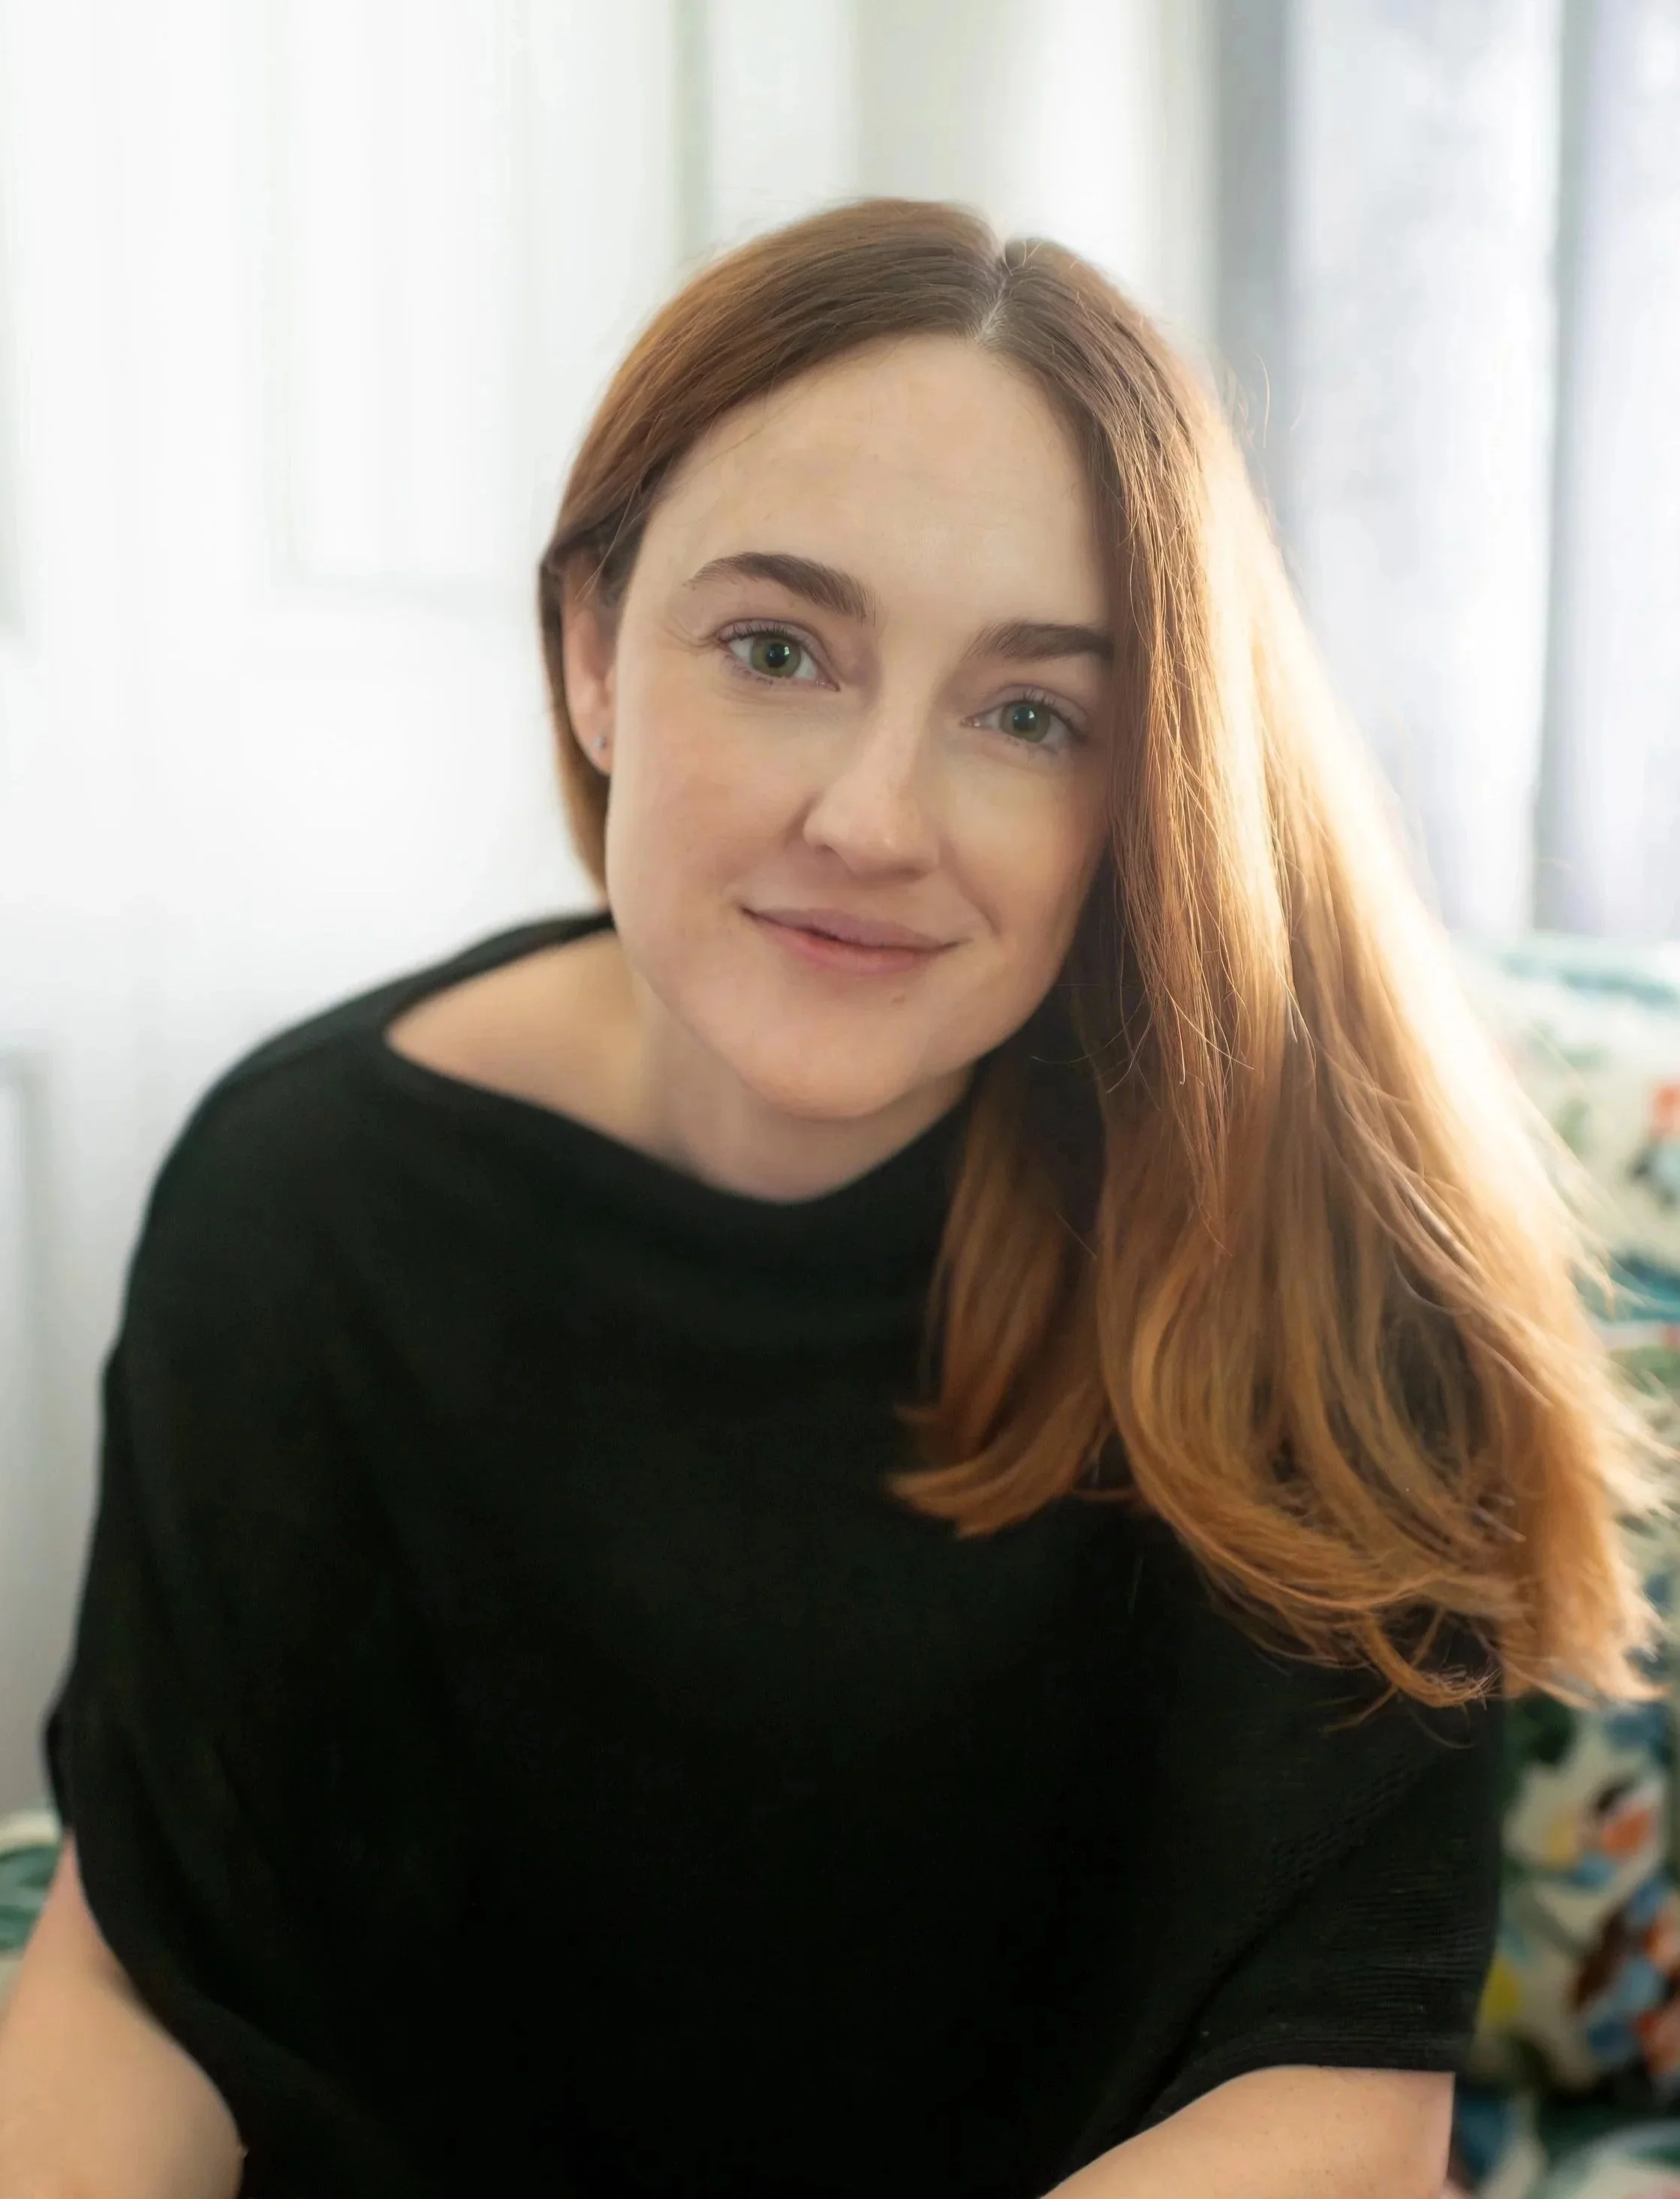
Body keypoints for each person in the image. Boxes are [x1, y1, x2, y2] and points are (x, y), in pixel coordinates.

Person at [0, 197, 1668, 2199]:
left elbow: (1325, 2111)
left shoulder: (1317, 1251)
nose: (871, 819)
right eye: (776, 648)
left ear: (1142, 789)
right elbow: (145, 1967)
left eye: (1027, 713)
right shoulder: (299, 1193)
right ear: (595, 655)